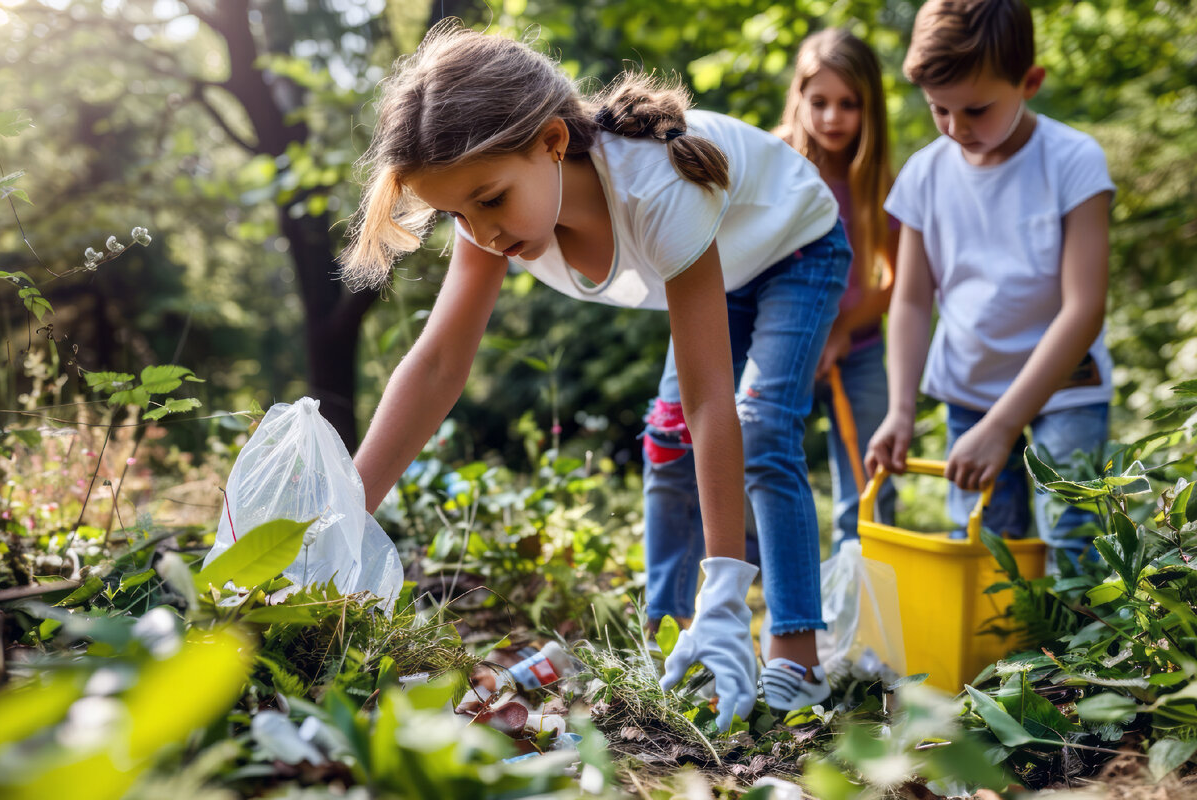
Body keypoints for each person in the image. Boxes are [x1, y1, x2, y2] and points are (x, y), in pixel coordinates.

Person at [340, 22, 849, 727]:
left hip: (794, 246)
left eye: (489, 200)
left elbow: (710, 401)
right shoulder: (489, 211)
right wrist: (345, 517)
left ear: (552, 142)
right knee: (665, 440)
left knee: (760, 426)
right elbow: (437, 365)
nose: (481, 233)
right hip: (712, 260)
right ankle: (668, 637)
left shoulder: (656, 187)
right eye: (456, 213)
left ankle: (795, 654)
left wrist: (729, 591)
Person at [864, 0, 1115, 570]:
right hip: (969, 393)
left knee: (1074, 544)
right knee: (982, 553)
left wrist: (1003, 427)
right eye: (939, 110)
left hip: (1066, 390)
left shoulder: (1073, 161)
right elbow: (911, 301)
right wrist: (900, 410)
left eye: (976, 110)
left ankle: (1082, 638)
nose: (956, 129)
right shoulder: (924, 175)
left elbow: (1085, 309)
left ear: (1030, 82)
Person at [773, 28, 898, 552]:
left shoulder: (878, 180)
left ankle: (867, 577)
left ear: (870, 108)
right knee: (767, 464)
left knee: (870, 478)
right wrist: (807, 332)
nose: (832, 118)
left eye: (849, 104)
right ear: (798, 97)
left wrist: (843, 328)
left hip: (859, 349)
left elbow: (898, 281)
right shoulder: (773, 162)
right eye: (819, 102)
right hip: (783, 347)